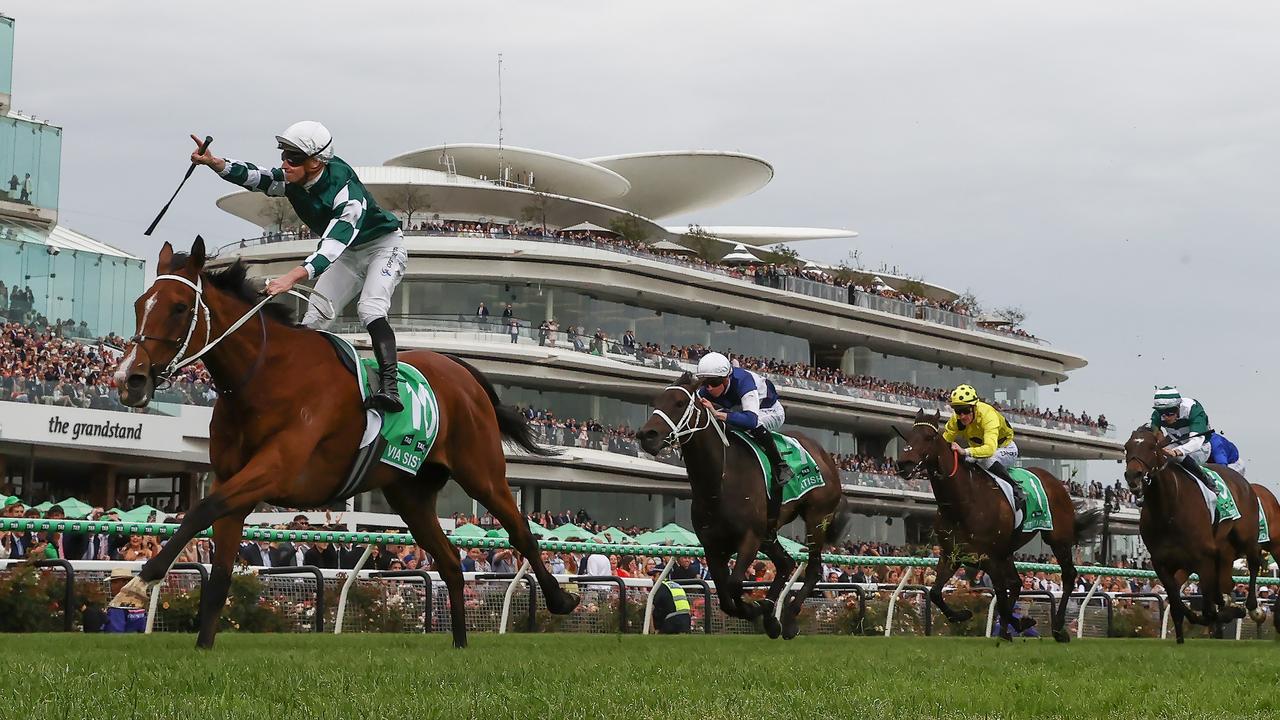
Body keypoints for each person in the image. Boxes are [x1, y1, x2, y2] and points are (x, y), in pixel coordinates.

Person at [191, 121, 406, 413]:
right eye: (284, 154)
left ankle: (391, 389)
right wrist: (216, 163)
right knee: (313, 319)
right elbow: (258, 177)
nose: (285, 164)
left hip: (383, 246)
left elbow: (331, 246)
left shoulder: (348, 195)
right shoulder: (293, 179)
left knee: (369, 309)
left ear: (316, 162)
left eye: (293, 158)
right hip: (348, 254)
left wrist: (291, 277)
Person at [694, 351, 790, 540]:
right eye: (705, 382)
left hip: (768, 411)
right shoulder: (707, 388)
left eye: (713, 383)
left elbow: (751, 420)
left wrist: (719, 414)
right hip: (737, 409)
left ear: (726, 379)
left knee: (747, 426)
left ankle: (780, 466)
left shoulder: (744, 382)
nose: (708, 388)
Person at [942, 384, 1024, 509]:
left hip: (1004, 449)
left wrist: (964, 451)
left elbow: (990, 449)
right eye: (958, 411)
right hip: (979, 452)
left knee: (985, 459)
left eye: (966, 411)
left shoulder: (988, 415)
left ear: (974, 407)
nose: (962, 416)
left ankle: (1015, 488)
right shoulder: (955, 420)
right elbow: (944, 442)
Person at [1149, 386, 1215, 490]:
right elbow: (1154, 434)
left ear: (1178, 407)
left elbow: (1196, 441)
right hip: (1176, 443)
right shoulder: (1158, 414)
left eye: (1169, 412)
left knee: (1178, 458)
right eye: (1162, 413)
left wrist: (1176, 452)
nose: (1165, 417)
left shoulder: (1193, 409)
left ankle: (1208, 482)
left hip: (1200, 447)